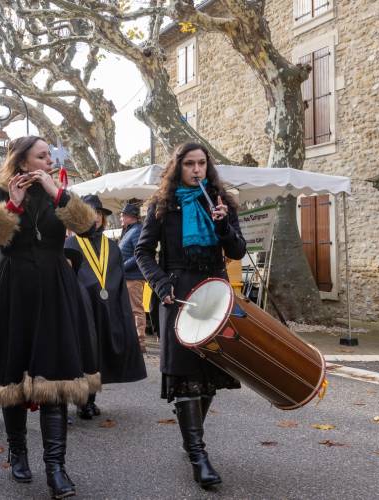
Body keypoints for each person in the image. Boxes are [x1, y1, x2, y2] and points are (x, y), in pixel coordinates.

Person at [0, 136, 99, 499]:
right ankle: (18, 450)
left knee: (56, 378)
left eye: (50, 156)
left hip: (54, 289)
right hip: (12, 291)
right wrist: (14, 205)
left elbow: (89, 228)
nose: (49, 161)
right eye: (42, 156)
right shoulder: (0, 195)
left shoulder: (59, 192)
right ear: (22, 163)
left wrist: (57, 193)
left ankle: (56, 468)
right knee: (12, 380)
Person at [135, 143, 247, 490]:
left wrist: (224, 224)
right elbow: (142, 252)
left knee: (209, 370)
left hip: (215, 288)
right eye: (189, 164)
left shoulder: (220, 201)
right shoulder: (161, 206)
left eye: (201, 163)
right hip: (179, 291)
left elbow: (238, 250)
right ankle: (198, 455)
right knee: (186, 371)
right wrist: (161, 283)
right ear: (178, 167)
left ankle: (192, 437)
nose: (196, 169)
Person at [64, 195, 146, 420]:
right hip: (82, 309)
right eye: (91, 213)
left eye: (99, 213)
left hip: (107, 307)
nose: (96, 217)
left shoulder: (112, 247)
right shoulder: (70, 245)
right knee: (84, 353)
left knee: (99, 355)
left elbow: (118, 277)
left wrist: (121, 310)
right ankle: (81, 401)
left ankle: (90, 399)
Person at [118, 202, 148, 351]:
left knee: (136, 309)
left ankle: (140, 341)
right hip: (127, 276)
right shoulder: (130, 230)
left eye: (123, 215)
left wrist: (120, 267)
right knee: (129, 309)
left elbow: (138, 255)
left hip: (133, 277)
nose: (121, 217)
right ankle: (132, 339)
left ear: (130, 217)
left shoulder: (137, 230)